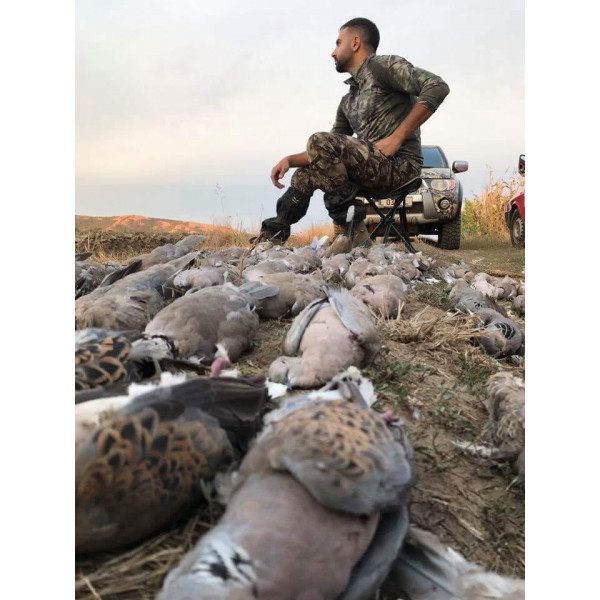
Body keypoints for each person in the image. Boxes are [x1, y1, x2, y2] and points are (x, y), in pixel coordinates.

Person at [255, 17, 450, 252]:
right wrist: (289, 160)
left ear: (355, 43)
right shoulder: (348, 100)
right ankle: (273, 236)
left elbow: (437, 86)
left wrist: (397, 137)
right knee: (307, 172)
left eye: (338, 43)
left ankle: (351, 231)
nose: (333, 52)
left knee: (318, 140)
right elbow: (325, 150)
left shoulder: (381, 67)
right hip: (370, 170)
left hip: (400, 167)